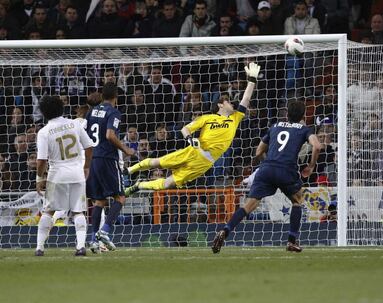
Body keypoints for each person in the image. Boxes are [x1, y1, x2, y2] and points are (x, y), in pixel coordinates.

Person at [124, 62, 261, 194]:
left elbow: (246, 98)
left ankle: (139, 185)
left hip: (205, 162)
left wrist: (252, 79)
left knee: (167, 184)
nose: (231, 103)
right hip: (193, 151)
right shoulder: (207, 118)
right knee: (158, 163)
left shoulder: (234, 118)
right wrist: (190, 139)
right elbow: (185, 129)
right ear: (220, 105)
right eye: (227, 101)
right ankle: (130, 170)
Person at [211, 100, 321, 254]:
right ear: (303, 115)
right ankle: (292, 241)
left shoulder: (275, 126)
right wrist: (311, 166)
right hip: (286, 169)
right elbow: (317, 146)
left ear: (287, 114)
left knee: (248, 206)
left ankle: (225, 230)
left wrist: (269, 164)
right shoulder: (304, 129)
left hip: (266, 168)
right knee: (297, 201)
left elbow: (258, 152)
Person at [35, 95, 93, 256]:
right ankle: (80, 247)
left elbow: (41, 161)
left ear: (44, 113)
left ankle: (39, 248)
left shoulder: (44, 132)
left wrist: (39, 178)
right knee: (79, 211)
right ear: (62, 108)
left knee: (48, 211)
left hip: (56, 175)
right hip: (76, 173)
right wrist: (86, 166)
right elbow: (89, 147)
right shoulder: (75, 124)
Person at [86, 82, 135, 253]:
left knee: (99, 201)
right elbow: (109, 135)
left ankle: (93, 240)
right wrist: (126, 149)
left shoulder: (91, 111)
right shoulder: (114, 112)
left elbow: (86, 136)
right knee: (120, 197)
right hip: (108, 158)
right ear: (116, 96)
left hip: (94, 159)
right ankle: (105, 231)